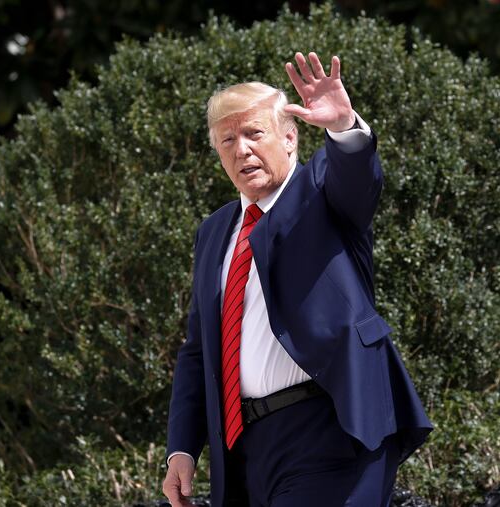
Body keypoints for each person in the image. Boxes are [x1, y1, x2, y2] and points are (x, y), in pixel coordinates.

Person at [162, 51, 432, 507]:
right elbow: (198, 350)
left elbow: (357, 180)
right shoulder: (214, 231)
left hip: (329, 429)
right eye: (227, 140)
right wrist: (182, 448)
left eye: (254, 133)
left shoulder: (320, 192)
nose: (241, 149)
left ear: (290, 139)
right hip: (245, 448)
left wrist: (344, 128)